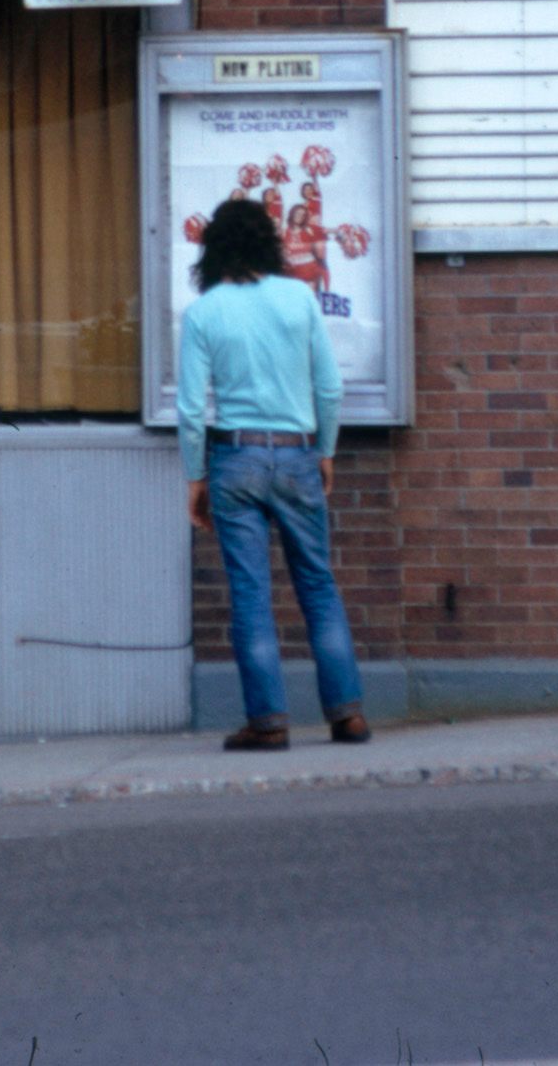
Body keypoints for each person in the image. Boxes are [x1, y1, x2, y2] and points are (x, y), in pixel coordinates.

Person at [179, 194, 369, 751]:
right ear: (270, 243)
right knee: (317, 584)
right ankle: (348, 714)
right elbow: (329, 386)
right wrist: (325, 451)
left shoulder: (204, 312)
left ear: (213, 251)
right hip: (297, 453)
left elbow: (192, 411)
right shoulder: (298, 298)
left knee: (251, 593)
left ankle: (268, 722)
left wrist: (197, 478)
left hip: (234, 460)